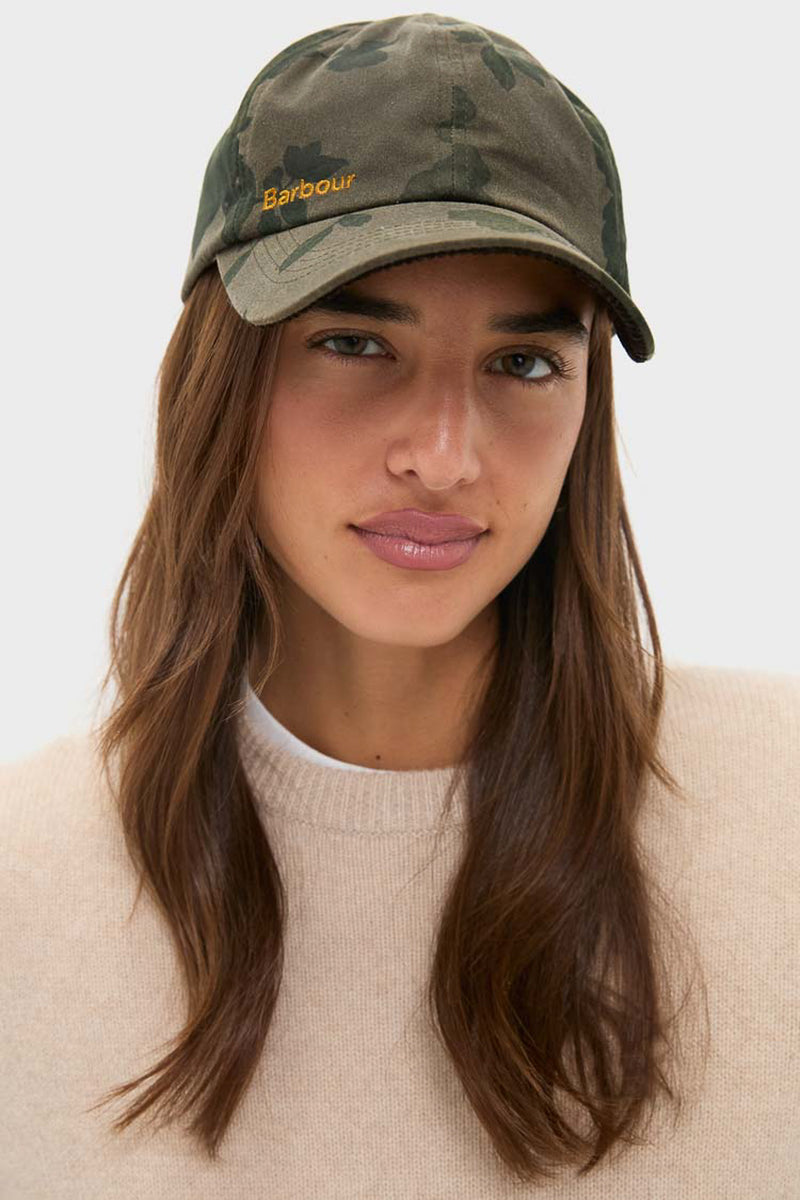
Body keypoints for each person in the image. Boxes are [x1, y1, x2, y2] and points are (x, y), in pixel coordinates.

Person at [2, 13, 798, 1198]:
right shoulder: (25, 881)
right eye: (355, 341)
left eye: (522, 363)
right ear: (221, 376)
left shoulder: (778, 809)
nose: (441, 453)